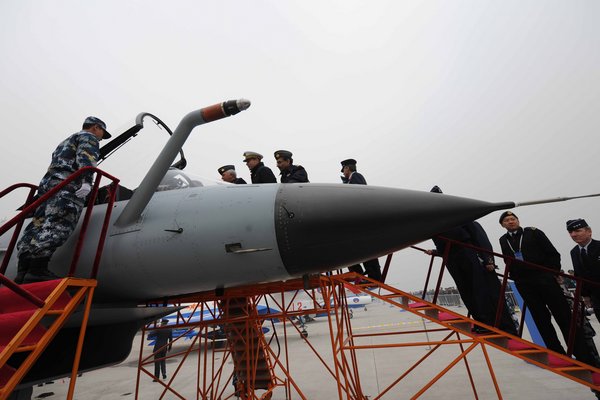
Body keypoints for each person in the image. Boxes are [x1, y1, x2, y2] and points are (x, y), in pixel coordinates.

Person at [15, 116, 111, 284]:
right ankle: (37, 269)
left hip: (48, 186)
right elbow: (86, 159)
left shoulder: (66, 141)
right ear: (96, 127)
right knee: (59, 223)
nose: (102, 137)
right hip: (68, 186)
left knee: (38, 224)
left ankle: (23, 270)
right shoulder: (89, 138)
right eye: (102, 132)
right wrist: (87, 182)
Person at [499, 211, 599, 366]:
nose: (511, 222)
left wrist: (552, 272)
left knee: (563, 315)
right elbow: (507, 260)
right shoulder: (503, 240)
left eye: (513, 219)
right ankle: (555, 351)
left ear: (518, 220)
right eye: (507, 220)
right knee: (540, 318)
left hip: (544, 279)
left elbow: (552, 253)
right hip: (524, 283)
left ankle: (581, 354)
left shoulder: (533, 232)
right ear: (503, 225)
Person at [426, 186, 517, 334]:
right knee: (466, 291)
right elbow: (445, 242)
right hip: (451, 258)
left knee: (482, 289)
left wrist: (489, 260)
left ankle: (503, 327)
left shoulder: (460, 213)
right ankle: (482, 322)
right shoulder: (435, 222)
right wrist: (437, 252)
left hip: (469, 254)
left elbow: (479, 237)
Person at [340, 158, 381, 282]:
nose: (343, 172)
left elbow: (359, 195)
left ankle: (373, 276)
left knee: (366, 250)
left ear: (347, 168)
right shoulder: (349, 180)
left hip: (360, 220)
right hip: (355, 222)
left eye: (344, 169)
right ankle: (359, 272)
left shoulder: (356, 177)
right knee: (358, 249)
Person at [567, 219, 600, 323]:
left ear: (589, 231)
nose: (573, 234)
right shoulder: (574, 252)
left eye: (577, 231)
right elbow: (579, 275)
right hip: (596, 298)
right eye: (571, 232)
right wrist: (585, 295)